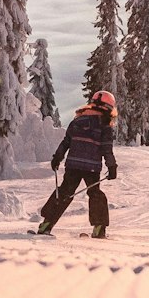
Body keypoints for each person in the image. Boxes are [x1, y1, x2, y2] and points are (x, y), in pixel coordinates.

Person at [36, 91, 119, 237]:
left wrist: (57, 157)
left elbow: (66, 142)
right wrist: (111, 166)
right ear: (109, 107)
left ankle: (46, 224)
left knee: (64, 193)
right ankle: (99, 228)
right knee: (95, 194)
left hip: (73, 164)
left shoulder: (78, 120)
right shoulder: (105, 125)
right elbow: (107, 149)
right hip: (92, 166)